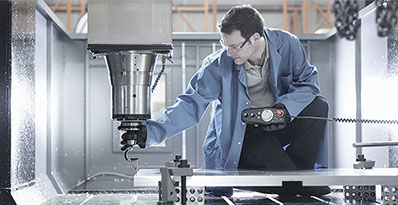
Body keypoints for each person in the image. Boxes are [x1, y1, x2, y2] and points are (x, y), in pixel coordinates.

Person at [122, 4, 329, 197]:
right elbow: (190, 103)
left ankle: (301, 175)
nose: (229, 52)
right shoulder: (218, 65)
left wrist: (283, 109)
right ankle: (294, 182)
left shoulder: (287, 45)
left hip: (276, 125)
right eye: (224, 44)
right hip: (246, 136)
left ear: (256, 38)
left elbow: (309, 84)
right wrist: (150, 132)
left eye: (235, 46)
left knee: (319, 106)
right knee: (290, 187)